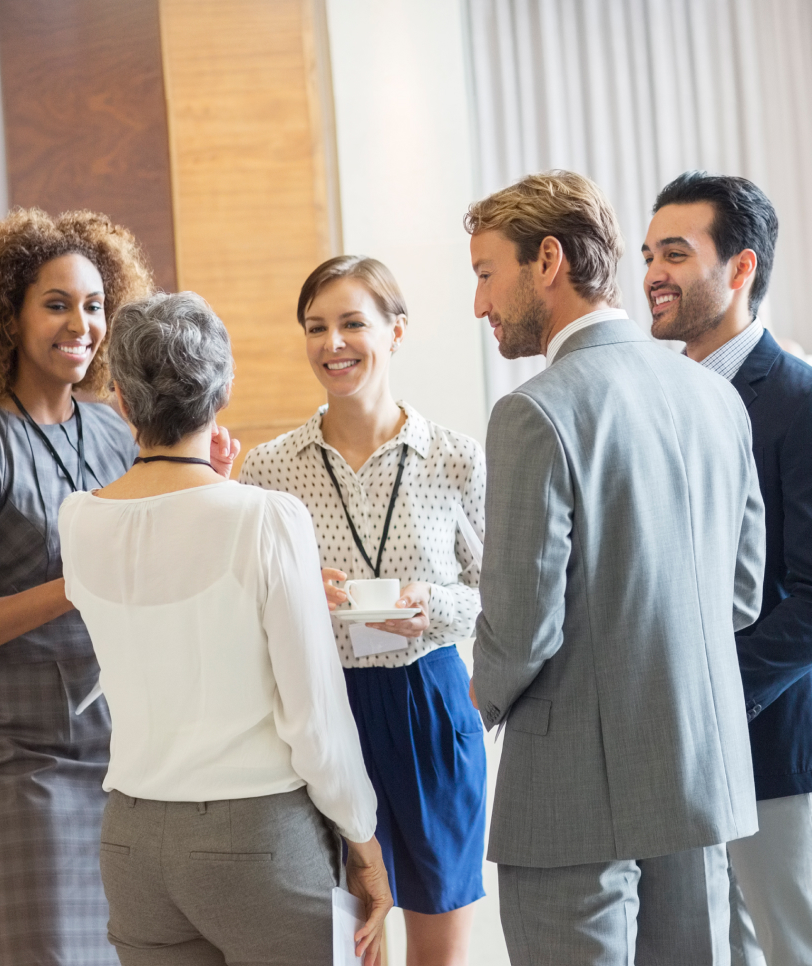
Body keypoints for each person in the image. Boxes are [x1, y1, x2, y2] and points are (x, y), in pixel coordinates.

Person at [466, 169, 765, 965]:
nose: (479, 305)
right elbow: (739, 594)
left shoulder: (535, 411)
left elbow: (524, 626)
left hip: (571, 789)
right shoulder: (715, 396)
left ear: (549, 261)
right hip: (697, 776)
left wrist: (471, 707)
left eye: (484, 274)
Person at [58, 292, 391, 965]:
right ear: (223, 393)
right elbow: (314, 718)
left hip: (131, 841)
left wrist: (216, 486)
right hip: (258, 837)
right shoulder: (267, 520)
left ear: (120, 399)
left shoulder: (78, 520)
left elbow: (163, 583)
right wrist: (364, 842)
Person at [0, 210, 153, 964]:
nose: (81, 323)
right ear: (6, 316)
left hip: (132, 751)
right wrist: (68, 590)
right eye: (56, 304)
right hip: (26, 762)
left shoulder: (118, 432)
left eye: (93, 305)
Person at [644, 171, 812, 966]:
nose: (651, 275)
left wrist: (709, 696)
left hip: (772, 740)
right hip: (673, 756)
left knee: (800, 952)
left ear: (740, 269)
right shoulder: (659, 401)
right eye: (647, 255)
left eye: (675, 253)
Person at [240, 256, 486, 966]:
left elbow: (500, 596)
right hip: (322, 707)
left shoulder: (454, 458)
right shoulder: (269, 468)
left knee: (437, 936)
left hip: (429, 705)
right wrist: (296, 595)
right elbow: (248, 603)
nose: (332, 343)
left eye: (352, 323)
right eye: (316, 327)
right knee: (344, 940)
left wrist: (429, 604)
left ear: (397, 332)